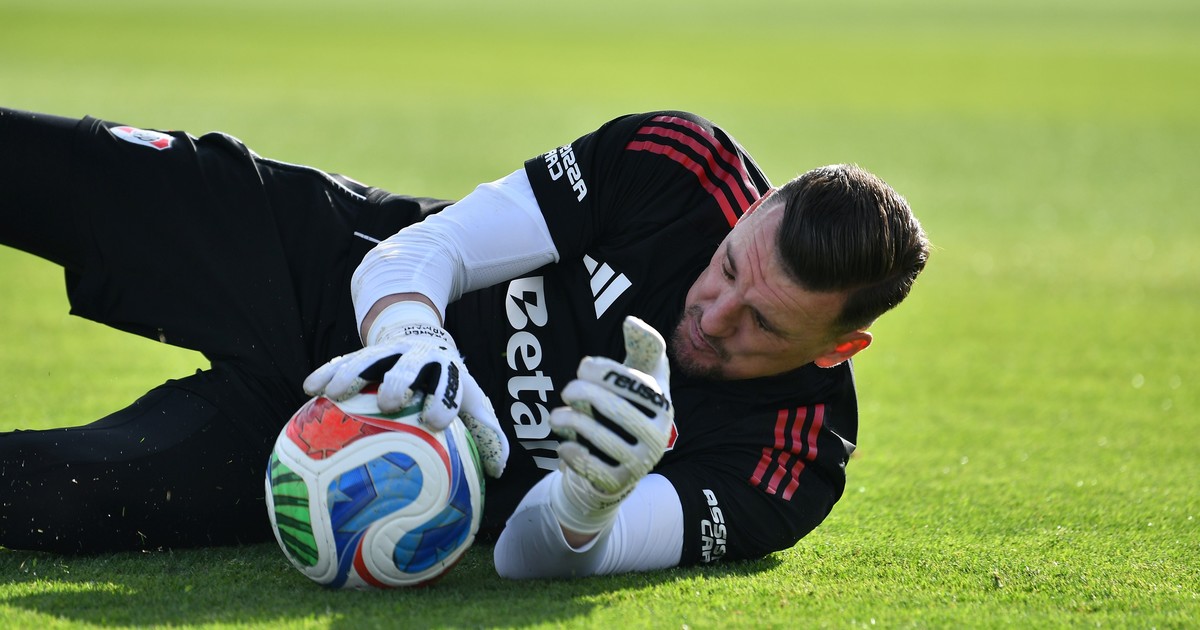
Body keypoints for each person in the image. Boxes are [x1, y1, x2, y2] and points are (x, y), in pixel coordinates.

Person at [0, 106, 928, 578]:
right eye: (727, 268)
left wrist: (589, 501)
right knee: (49, 171)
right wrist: (414, 338)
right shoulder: (679, 167)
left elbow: (527, 558)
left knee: (51, 499)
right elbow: (424, 250)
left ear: (838, 349)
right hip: (314, 258)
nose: (714, 314)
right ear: (756, 209)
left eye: (763, 324)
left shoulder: (788, 465)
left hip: (342, 457)